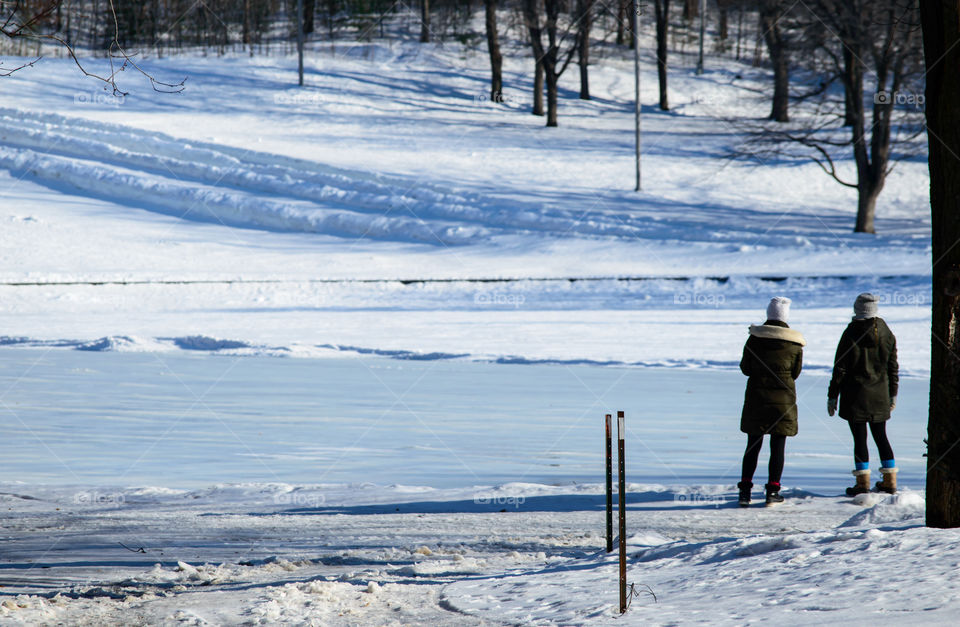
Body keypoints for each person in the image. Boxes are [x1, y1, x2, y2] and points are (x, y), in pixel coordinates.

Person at [828, 293, 900, 495]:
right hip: (880, 395)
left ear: (857, 309)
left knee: (859, 439)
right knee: (881, 436)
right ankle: (890, 481)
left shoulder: (851, 333)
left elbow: (839, 368)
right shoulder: (886, 332)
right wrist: (893, 394)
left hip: (855, 395)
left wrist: (833, 395)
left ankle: (862, 484)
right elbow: (893, 367)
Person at [738, 296, 805, 507]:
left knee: (753, 445)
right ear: (786, 317)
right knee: (778, 446)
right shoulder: (794, 344)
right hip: (783, 403)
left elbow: (745, 369)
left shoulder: (754, 339)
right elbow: (795, 373)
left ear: (768, 314)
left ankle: (745, 492)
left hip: (757, 399)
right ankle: (772, 492)